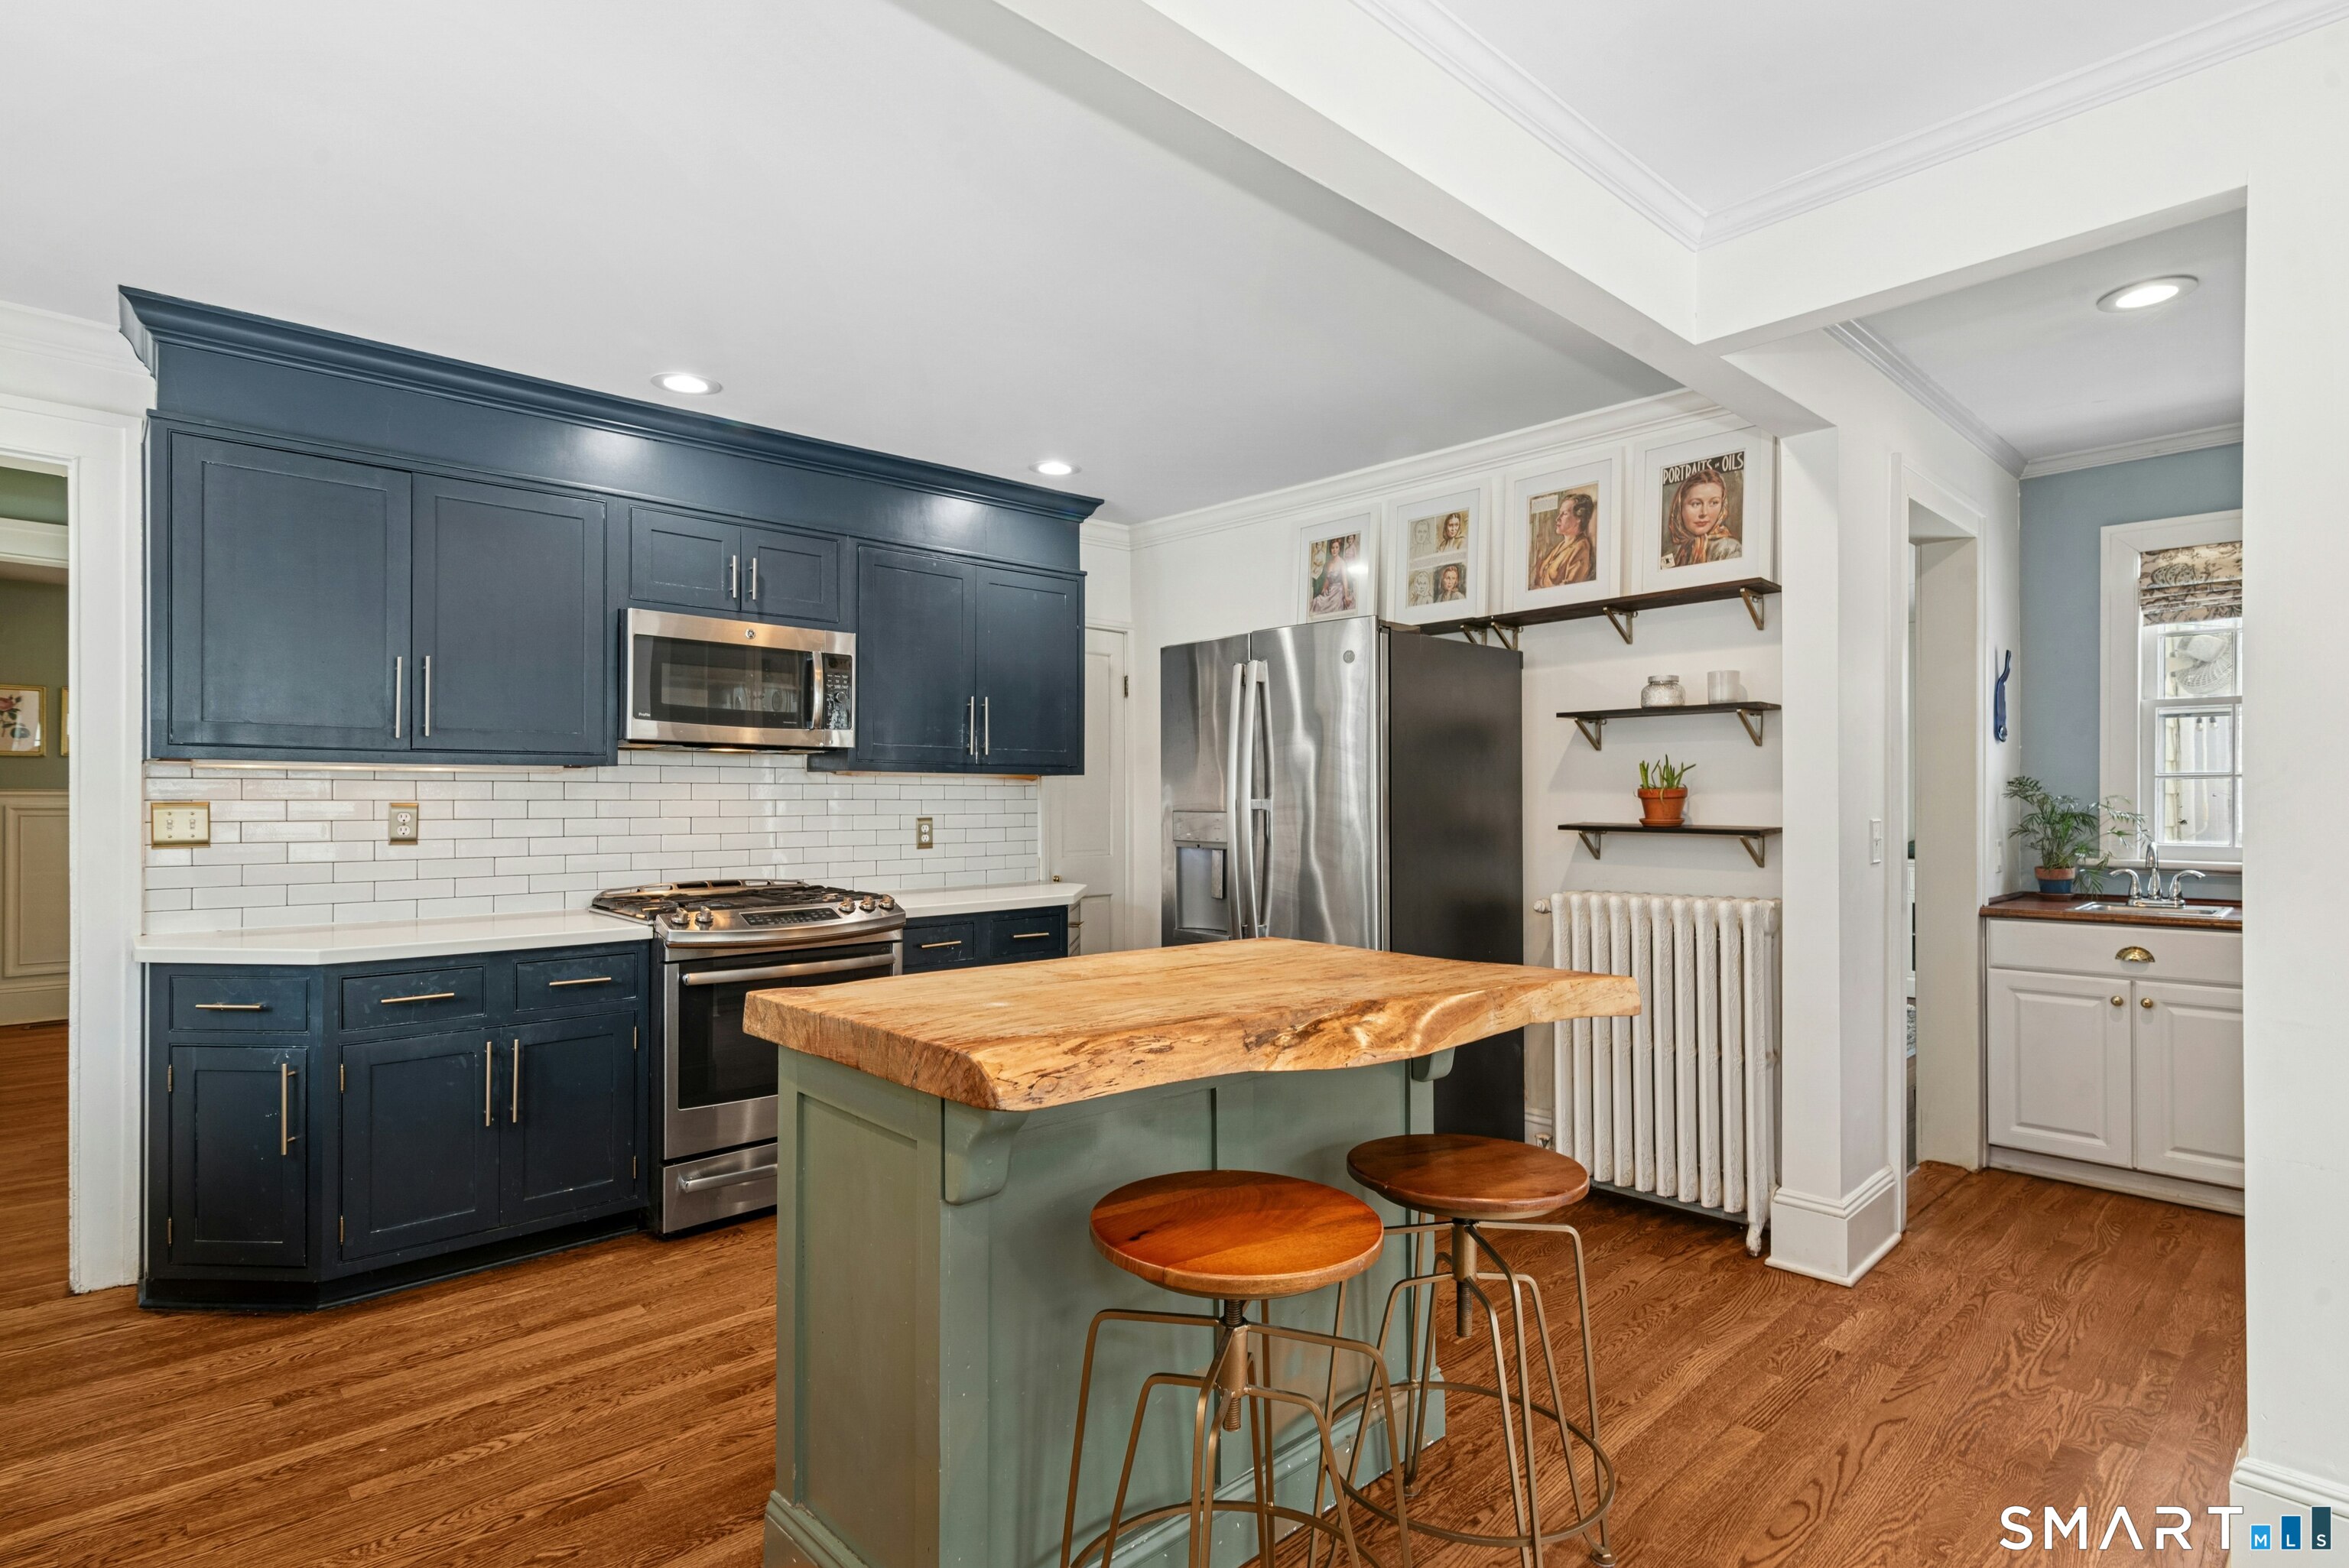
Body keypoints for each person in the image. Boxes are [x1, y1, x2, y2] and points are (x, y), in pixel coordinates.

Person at [1665, 465, 1741, 567]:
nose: (1704, 513)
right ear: (1679, 508)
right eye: (1696, 504)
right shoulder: (1671, 554)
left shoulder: (1731, 549)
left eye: (1714, 503)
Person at [1529, 490, 1596, 588]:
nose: (1558, 518)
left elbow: (1570, 589)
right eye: (1559, 513)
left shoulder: (1581, 547)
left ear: (1579, 519)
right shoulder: (1561, 545)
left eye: (1564, 514)